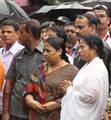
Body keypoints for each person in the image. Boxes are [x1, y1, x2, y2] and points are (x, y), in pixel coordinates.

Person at [23, 36, 78, 120]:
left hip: (58, 115)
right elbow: (28, 90)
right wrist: (30, 100)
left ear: (59, 51)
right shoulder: (40, 68)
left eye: (48, 51)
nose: (44, 53)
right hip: (36, 115)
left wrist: (56, 104)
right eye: (43, 50)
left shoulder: (72, 71)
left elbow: (76, 97)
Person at [2, 19, 44, 120]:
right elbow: (9, 83)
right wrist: (5, 111)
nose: (19, 36)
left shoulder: (47, 54)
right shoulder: (19, 55)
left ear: (29, 33)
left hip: (38, 111)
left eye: (21, 33)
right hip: (15, 111)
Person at [60, 34, 109, 120]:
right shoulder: (90, 65)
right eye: (79, 47)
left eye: (82, 47)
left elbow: (90, 96)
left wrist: (69, 90)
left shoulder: (96, 68)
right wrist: (72, 87)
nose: (79, 51)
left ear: (93, 49)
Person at [0, 19, 24, 120]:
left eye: (9, 32)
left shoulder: (22, 53)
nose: (5, 35)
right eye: (3, 32)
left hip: (13, 107)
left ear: (17, 33)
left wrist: (6, 111)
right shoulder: (0, 52)